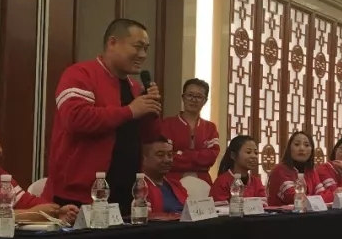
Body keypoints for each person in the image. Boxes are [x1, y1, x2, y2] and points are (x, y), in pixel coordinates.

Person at [46, 18, 162, 215]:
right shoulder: (80, 74)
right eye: (137, 47)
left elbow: (149, 138)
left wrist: (150, 111)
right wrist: (130, 111)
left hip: (127, 195)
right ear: (112, 43)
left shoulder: (134, 88)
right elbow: (75, 118)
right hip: (81, 197)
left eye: (146, 49)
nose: (143, 55)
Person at [159, 78, 220, 184]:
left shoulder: (210, 127)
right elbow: (166, 157)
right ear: (183, 97)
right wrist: (198, 158)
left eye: (199, 97)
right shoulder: (167, 124)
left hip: (203, 183)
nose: (193, 100)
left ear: (205, 101)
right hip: (172, 181)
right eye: (190, 95)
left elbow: (211, 157)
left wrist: (182, 154)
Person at [267, 132, 325, 207]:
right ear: (289, 148)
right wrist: (317, 199)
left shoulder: (311, 170)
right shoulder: (280, 170)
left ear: (312, 150)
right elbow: (294, 198)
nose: (302, 148)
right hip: (282, 214)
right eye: (297, 144)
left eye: (306, 145)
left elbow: (323, 195)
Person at [210, 135, 267, 202]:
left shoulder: (256, 182)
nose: (254, 156)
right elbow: (219, 206)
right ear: (233, 155)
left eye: (256, 153)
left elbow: (263, 204)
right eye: (248, 152)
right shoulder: (221, 182)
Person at [140, 137, 188, 214]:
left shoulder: (177, 185)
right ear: (143, 159)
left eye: (170, 155)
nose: (167, 160)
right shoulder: (139, 189)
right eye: (160, 155)